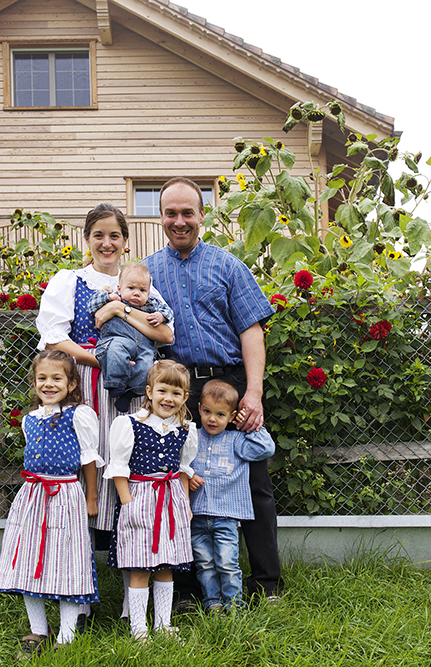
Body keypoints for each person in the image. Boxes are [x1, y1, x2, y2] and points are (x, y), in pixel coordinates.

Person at [144, 177, 283, 603]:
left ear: (203, 215)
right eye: (172, 213)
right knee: (177, 483)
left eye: (188, 212)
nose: (180, 221)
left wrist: (253, 393)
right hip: (177, 389)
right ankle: (184, 589)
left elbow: (252, 331)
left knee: (253, 483)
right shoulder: (147, 272)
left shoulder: (227, 265)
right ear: (161, 217)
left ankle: (267, 584)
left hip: (230, 385)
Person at [36, 203, 174, 625]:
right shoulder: (70, 280)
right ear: (87, 239)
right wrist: (101, 359)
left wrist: (119, 311)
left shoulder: (139, 281)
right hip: (87, 392)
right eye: (99, 235)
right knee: (83, 480)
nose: (107, 243)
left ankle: (133, 595)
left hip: (132, 397)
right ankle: (75, 598)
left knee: (129, 479)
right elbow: (55, 338)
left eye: (114, 235)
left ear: (125, 240)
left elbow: (166, 333)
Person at [0, 350, 104, 659]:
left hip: (66, 494)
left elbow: (88, 461)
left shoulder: (79, 415)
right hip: (33, 495)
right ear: (34, 382)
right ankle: (38, 630)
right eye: (42, 378)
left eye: (57, 378)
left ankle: (68, 633)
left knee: (66, 559)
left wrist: (91, 497)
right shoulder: (30, 420)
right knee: (29, 559)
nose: (48, 384)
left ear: (71, 384)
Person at [105, 360, 197, 641]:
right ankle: (138, 628)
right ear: (149, 391)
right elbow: (118, 468)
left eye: (176, 393)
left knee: (167, 566)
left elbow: (182, 470)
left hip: (171, 501)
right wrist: (128, 504)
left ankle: (163, 624)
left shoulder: (185, 430)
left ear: (185, 397)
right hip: (141, 498)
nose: (168, 398)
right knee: (140, 566)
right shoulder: (131, 424)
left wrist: (186, 506)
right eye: (163, 390)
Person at [188, 380, 275, 611]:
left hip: (226, 517)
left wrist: (247, 424)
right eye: (207, 412)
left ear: (231, 416)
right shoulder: (192, 438)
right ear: (199, 409)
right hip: (197, 515)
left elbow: (266, 449)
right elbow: (178, 463)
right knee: (205, 563)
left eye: (220, 414)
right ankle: (212, 602)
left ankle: (234, 604)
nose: (212, 419)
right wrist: (187, 476)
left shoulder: (237, 441)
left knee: (227, 562)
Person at [86, 262, 174, 413]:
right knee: (115, 351)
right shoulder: (114, 299)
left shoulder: (152, 304)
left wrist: (162, 316)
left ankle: (131, 393)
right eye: (131, 288)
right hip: (118, 339)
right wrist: (108, 297)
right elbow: (91, 305)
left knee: (147, 365)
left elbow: (168, 311)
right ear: (119, 289)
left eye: (142, 290)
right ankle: (116, 384)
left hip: (144, 348)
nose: (136, 293)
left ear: (148, 292)